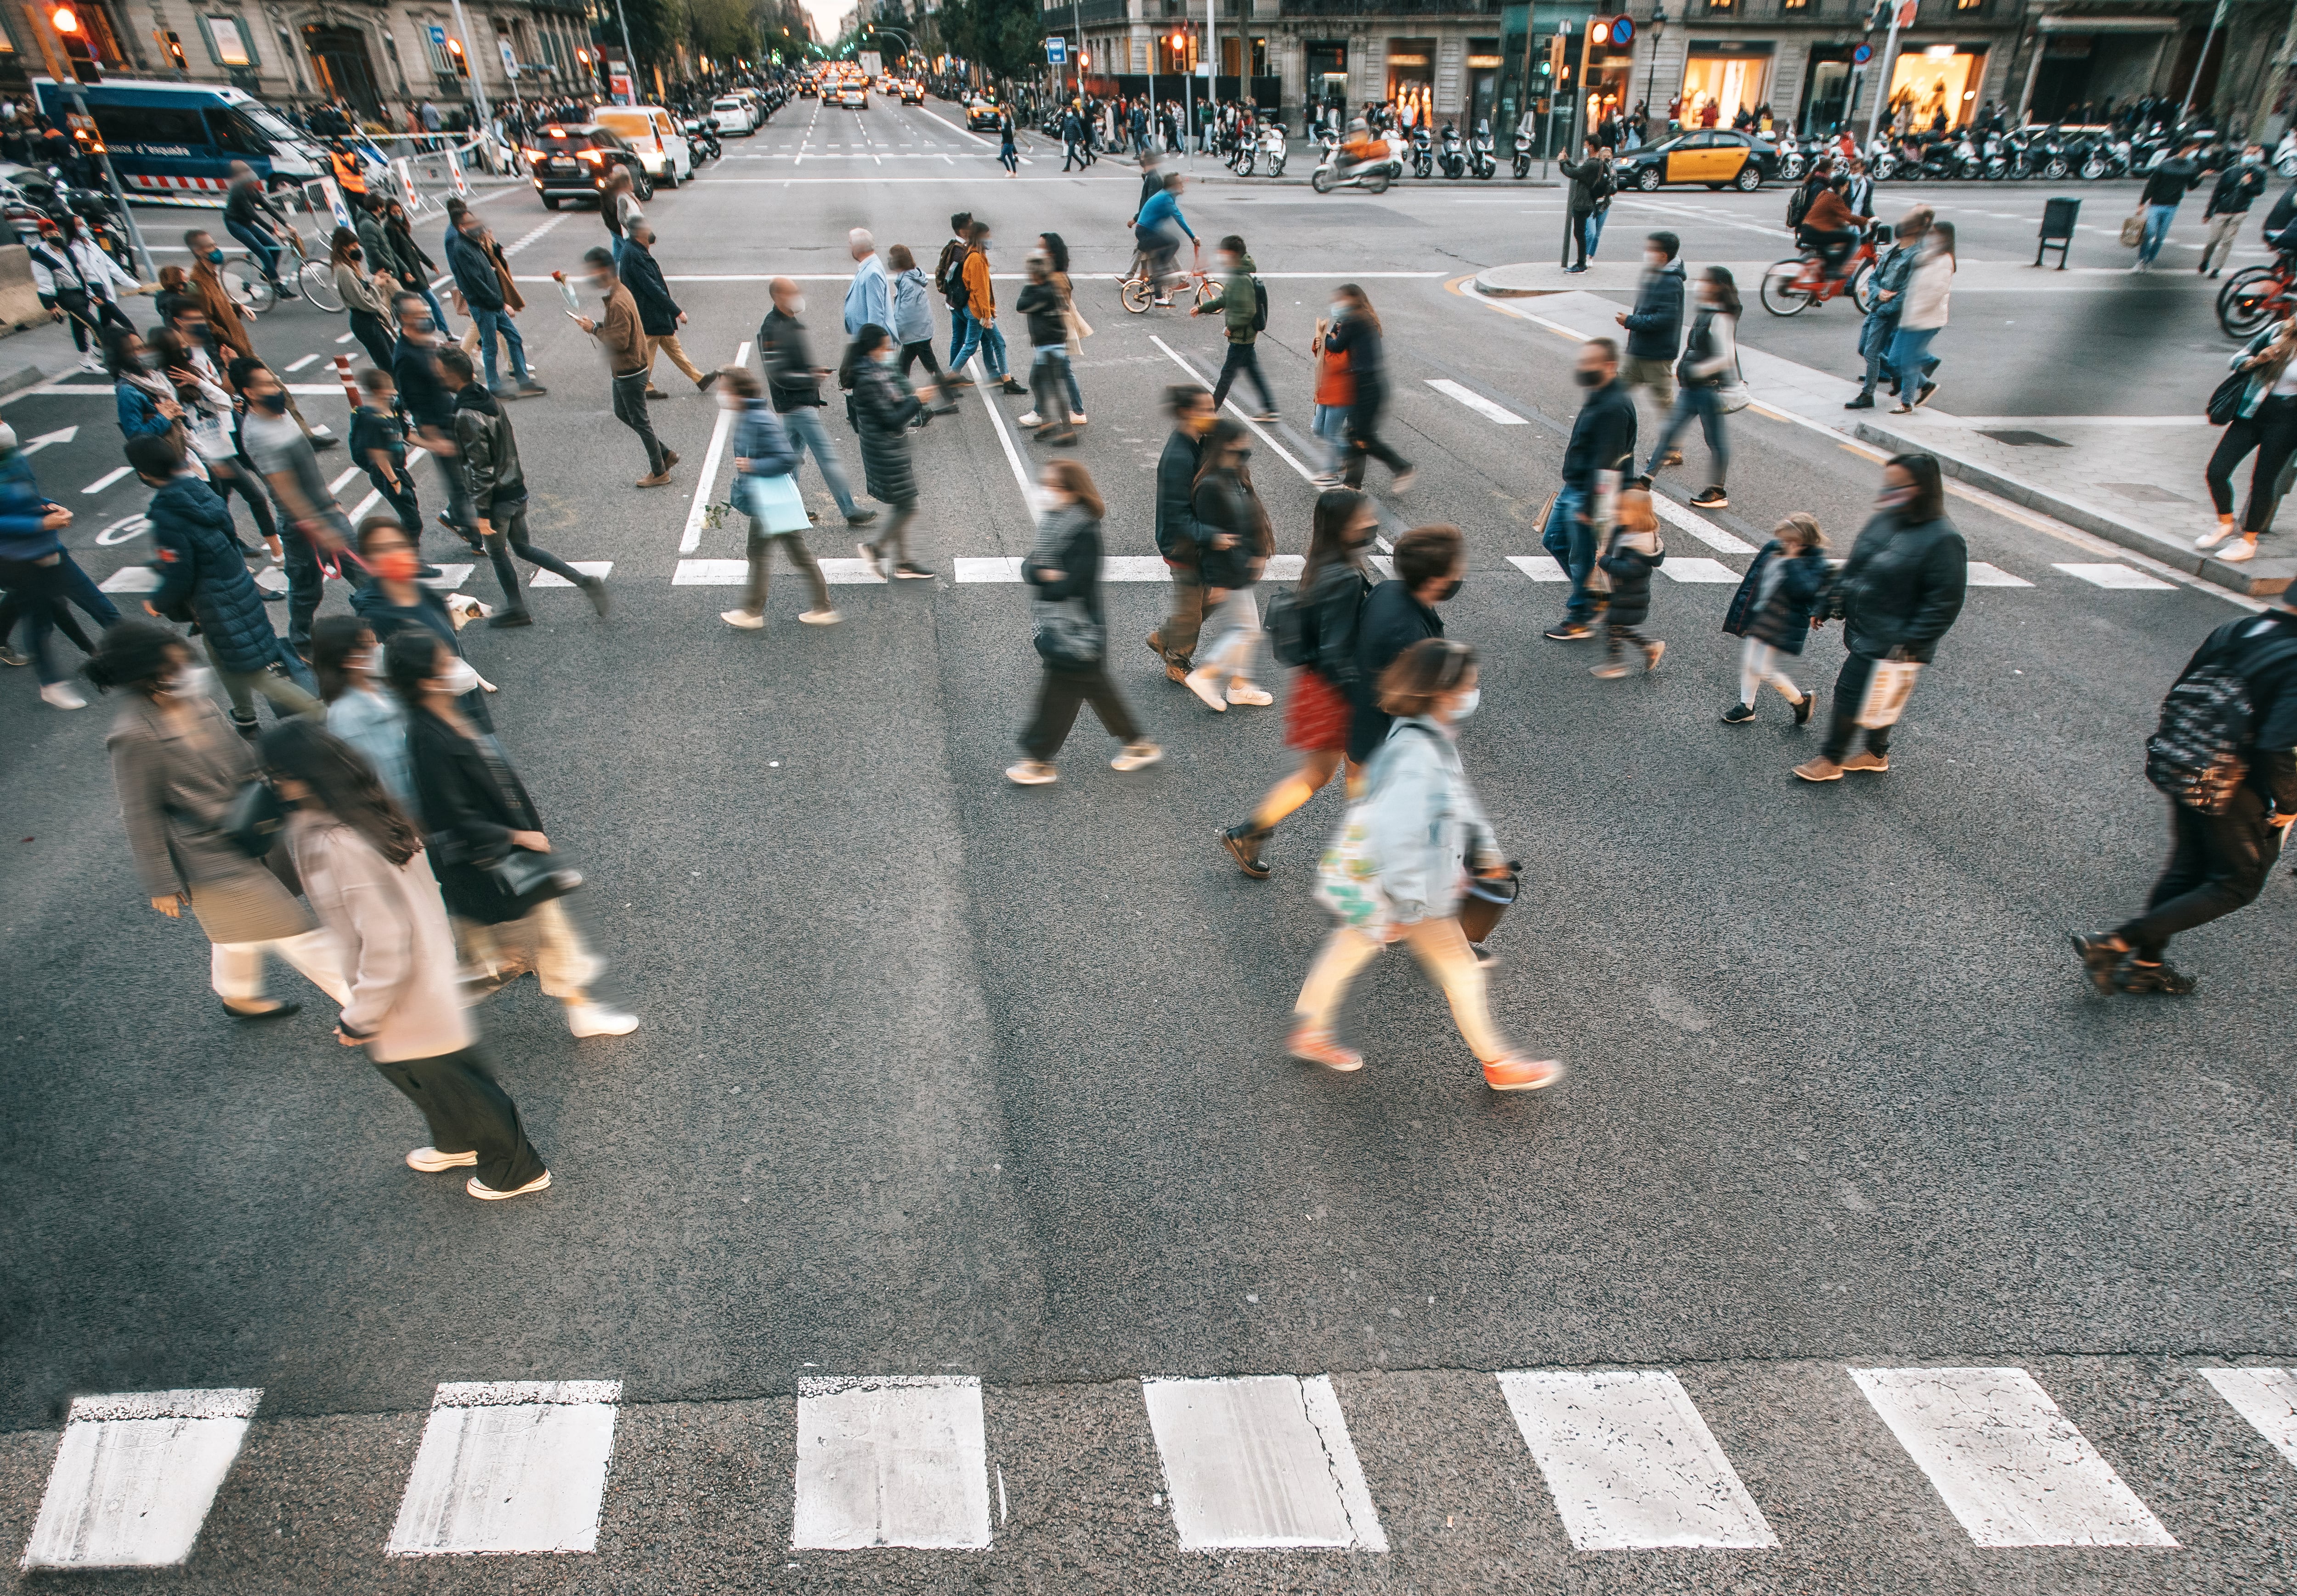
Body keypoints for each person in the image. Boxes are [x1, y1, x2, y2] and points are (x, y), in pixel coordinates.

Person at [263, 718, 551, 1200]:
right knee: (428, 1071)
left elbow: (384, 938)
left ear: (299, 776)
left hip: (403, 987)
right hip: (425, 972)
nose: (271, 783)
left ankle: (517, 1169)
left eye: (275, 774)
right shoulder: (368, 810)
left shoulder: (338, 841)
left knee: (451, 1081)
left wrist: (361, 1015)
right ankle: (459, 1141)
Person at [1287, 638, 1559, 1091]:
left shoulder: (1426, 736)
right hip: (1407, 890)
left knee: (1350, 945)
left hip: (1388, 885)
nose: (1474, 691)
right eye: (1469, 684)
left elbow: (1459, 801)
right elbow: (1398, 838)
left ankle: (1308, 1029)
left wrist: (1487, 852)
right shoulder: (1417, 756)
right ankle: (1497, 1063)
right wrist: (1409, 909)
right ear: (1443, 693)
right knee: (1460, 972)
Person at [387, 627, 638, 1039]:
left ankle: (435, 1003)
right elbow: (453, 815)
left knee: (505, 951)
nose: (456, 666)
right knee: (541, 940)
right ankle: (580, 1012)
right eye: (444, 663)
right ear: (426, 680)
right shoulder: (428, 737)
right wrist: (520, 838)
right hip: (491, 862)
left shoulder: (441, 715)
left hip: (491, 861)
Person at [90, 618, 347, 1019]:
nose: (186, 674)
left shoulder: (198, 704)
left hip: (249, 826)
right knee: (295, 929)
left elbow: (245, 756)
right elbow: (139, 811)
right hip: (205, 853)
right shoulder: (133, 735)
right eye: (172, 668)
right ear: (146, 676)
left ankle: (238, 993)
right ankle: (370, 1009)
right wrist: (161, 882)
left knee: (242, 925)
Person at [2071, 590, 2297, 996]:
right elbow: (2279, 744)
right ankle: (2114, 944)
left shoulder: (2239, 630)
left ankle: (2147, 965)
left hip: (2182, 760)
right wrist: (2288, 804)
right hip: (2233, 781)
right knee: (2237, 885)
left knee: (2188, 867)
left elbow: (2183, 688)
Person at [1221, 488, 1377, 877]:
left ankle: (1250, 833)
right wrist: (1364, 696)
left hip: (1316, 687)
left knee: (1320, 775)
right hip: (1337, 692)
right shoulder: (1344, 576)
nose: (1371, 523)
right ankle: (1352, 864)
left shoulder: (1323, 563)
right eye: (1363, 518)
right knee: (1358, 778)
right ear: (1345, 528)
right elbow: (1336, 646)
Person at [129, 432, 318, 736]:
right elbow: (228, 538)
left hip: (214, 602)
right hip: (236, 587)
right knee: (226, 659)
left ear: (144, 473)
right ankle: (245, 716)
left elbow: (180, 573)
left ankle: (320, 712)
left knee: (255, 673)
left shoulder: (167, 515)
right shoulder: (199, 491)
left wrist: (157, 604)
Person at [1795, 453, 1967, 782]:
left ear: (1922, 488)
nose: (1890, 490)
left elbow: (1944, 602)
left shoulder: (1944, 539)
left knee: (1851, 691)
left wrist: (1911, 644)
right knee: (1882, 693)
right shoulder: (1886, 519)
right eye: (1889, 483)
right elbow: (1856, 567)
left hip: (1896, 637)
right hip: (1868, 624)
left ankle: (1832, 759)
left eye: (1899, 484)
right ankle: (1876, 754)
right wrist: (1828, 604)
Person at [1007, 460, 1164, 785]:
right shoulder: (1054, 522)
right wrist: (1042, 573)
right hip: (1068, 625)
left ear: (1073, 491)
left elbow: (1073, 584)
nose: (1046, 492)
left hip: (1078, 628)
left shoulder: (1085, 532)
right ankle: (1138, 745)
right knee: (1095, 687)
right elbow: (1029, 566)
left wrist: (1044, 576)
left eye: (1053, 486)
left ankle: (1038, 761)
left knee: (1060, 692)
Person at [438, 348, 608, 625]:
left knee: (497, 553)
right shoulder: (487, 399)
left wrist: (481, 513)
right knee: (523, 548)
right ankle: (585, 582)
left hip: (496, 500)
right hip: (515, 489)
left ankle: (517, 609)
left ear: (449, 375)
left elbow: (481, 469)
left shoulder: (467, 415)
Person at [237, 357, 349, 661]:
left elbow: (307, 468)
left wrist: (332, 502)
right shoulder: (258, 433)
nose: (276, 388)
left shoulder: (281, 414)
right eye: (267, 385)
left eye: (274, 381)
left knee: (366, 576)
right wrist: (322, 527)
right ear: (249, 392)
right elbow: (285, 490)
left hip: (325, 513)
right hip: (303, 525)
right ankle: (301, 643)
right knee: (307, 589)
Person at [0, 422, 115, 708]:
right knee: (41, 620)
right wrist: (40, 522)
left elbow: (29, 497)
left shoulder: (13, 459)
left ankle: (146, 658)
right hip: (16, 560)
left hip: (49, 547)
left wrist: (50, 506)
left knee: (100, 606)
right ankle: (51, 684)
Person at [716, 367, 836, 629]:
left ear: (737, 391)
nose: (721, 394)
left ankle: (753, 613)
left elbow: (788, 459)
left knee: (760, 555)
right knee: (793, 553)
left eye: (724, 389)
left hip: (769, 500)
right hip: (770, 499)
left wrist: (753, 466)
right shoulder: (752, 415)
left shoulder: (757, 419)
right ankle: (821, 608)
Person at [348, 516, 489, 730]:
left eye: (398, 546)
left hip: (467, 708)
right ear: (369, 560)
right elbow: (389, 679)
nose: (393, 555)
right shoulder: (375, 616)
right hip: (439, 725)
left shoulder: (423, 593)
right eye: (381, 549)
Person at [1542, 338, 1637, 642]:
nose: (1582, 369)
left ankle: (1580, 616)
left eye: (1589, 364)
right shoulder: (1601, 393)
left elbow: (1608, 463)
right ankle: (1597, 596)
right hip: (1575, 487)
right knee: (1554, 539)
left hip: (1589, 494)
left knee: (1581, 558)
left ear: (1609, 366)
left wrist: (1592, 507)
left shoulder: (1614, 406)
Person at [1347, 522, 1464, 766]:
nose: (1460, 575)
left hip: (1362, 724)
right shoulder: (1410, 639)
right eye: (1456, 569)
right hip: (1387, 746)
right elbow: (1406, 704)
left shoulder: (1387, 590)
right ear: (1435, 582)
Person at [759, 275, 872, 526]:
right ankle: (849, 509)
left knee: (791, 461)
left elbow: (790, 365)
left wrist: (811, 371)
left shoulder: (788, 322)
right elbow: (778, 374)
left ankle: (788, 509)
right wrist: (810, 377)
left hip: (799, 403)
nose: (798, 296)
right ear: (779, 298)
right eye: (792, 293)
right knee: (827, 457)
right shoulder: (772, 329)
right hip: (797, 404)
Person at [1182, 418, 1276, 713]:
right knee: (1246, 632)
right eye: (1239, 443)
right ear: (1225, 445)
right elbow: (1213, 538)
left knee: (1248, 630)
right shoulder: (1211, 486)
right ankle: (1207, 675)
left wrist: (1258, 553)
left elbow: (1247, 520)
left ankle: (1239, 687)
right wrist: (1220, 581)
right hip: (1229, 571)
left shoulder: (1233, 474)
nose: (1245, 448)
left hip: (1239, 568)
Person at [573, 246, 677, 488]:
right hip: (627, 368)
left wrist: (595, 330)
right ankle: (665, 454)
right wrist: (597, 324)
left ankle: (660, 471)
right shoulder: (619, 292)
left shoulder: (618, 300)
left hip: (630, 370)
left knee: (641, 422)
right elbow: (621, 329)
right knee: (623, 413)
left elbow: (620, 341)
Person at [1642, 265, 1739, 510]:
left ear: (1718, 286)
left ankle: (1717, 491)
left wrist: (1697, 370)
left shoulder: (1721, 318)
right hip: (1691, 389)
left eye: (1704, 281)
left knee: (1715, 441)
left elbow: (1726, 357)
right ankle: (1645, 480)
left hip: (1709, 390)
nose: (1699, 284)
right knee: (1671, 432)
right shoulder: (1707, 312)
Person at [2203, 314, 2297, 563]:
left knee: (2263, 482)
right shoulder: (2279, 330)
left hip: (2287, 422)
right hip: (2251, 412)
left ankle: (2248, 541)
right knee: (2217, 471)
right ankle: (2225, 522)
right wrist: (2258, 360)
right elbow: (2237, 359)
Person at [1719, 514, 1826, 726]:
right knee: (1750, 663)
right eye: (1782, 539)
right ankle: (1746, 707)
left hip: (1783, 621)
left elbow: (1807, 590)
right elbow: (1755, 577)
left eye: (1790, 541)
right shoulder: (1774, 547)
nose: (1784, 544)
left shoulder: (1811, 561)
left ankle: (1800, 701)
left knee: (1760, 667)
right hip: (1761, 614)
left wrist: (1792, 562)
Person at [844, 323, 931, 580]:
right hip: (885, 453)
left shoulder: (874, 371)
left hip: (889, 450)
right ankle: (875, 549)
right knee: (908, 507)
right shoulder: (869, 380)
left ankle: (904, 563)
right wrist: (918, 400)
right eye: (884, 347)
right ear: (873, 350)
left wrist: (913, 396)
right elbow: (892, 420)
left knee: (901, 504)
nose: (889, 351)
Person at [312, 613, 414, 811]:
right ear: (347, 659)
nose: (377, 649)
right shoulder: (346, 716)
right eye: (368, 646)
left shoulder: (376, 684)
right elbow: (384, 778)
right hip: (413, 805)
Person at [1148, 385, 1216, 682]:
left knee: (1209, 599)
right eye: (1207, 411)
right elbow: (1177, 514)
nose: (1213, 416)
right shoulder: (1179, 456)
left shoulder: (1197, 441)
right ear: (1187, 413)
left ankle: (1163, 638)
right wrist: (1213, 536)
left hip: (1194, 542)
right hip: (1185, 545)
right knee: (1192, 609)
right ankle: (1178, 663)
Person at [447, 210, 546, 399]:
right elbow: (476, 282)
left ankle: (523, 381)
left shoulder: (473, 243)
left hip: (492, 303)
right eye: (471, 222)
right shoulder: (461, 248)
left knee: (514, 338)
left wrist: (491, 241)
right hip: (484, 306)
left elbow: (491, 264)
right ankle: (495, 386)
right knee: (491, 347)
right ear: (462, 227)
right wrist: (500, 304)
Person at [1325, 284, 1414, 493]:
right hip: (1367, 384)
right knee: (1356, 434)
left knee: (1362, 436)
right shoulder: (1364, 319)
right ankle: (1352, 484)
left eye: (1342, 300)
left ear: (1353, 300)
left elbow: (1337, 346)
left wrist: (1325, 337)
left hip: (1366, 386)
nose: (1338, 304)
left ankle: (1402, 467)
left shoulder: (1354, 320)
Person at [1848, 208, 1931, 410]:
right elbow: (1875, 277)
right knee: (1864, 349)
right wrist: (1878, 294)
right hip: (1877, 307)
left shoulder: (1917, 256)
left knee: (1873, 353)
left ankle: (1868, 394)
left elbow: (1910, 290)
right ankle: (1921, 382)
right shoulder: (1893, 251)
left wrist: (1886, 304)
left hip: (1889, 312)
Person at [1197, 234, 1277, 421]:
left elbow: (1248, 310)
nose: (1221, 257)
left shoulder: (1240, 278)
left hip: (1242, 336)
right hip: (1246, 336)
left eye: (1224, 253)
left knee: (1227, 375)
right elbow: (1225, 299)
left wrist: (1231, 327)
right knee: (1252, 370)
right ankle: (1270, 408)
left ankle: (1211, 412)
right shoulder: (1238, 274)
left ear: (1232, 255)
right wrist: (1201, 308)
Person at [1615, 232, 1683, 446]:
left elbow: (1664, 320)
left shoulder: (1671, 283)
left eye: (1651, 250)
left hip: (1656, 356)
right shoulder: (1659, 276)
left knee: (1664, 405)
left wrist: (1631, 321)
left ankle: (1673, 449)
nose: (1647, 254)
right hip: (1639, 352)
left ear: (1663, 256)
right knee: (1613, 393)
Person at [1591, 484, 1666, 678]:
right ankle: (1648, 648)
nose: (1617, 512)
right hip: (1626, 595)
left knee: (1613, 626)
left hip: (1628, 597)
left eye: (1621, 509)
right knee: (1615, 627)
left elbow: (1628, 570)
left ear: (1636, 515)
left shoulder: (1637, 545)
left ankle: (1617, 664)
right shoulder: (1631, 533)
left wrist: (1604, 560)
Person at [950, 221, 1025, 394]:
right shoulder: (976, 258)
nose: (990, 239)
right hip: (978, 311)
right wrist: (986, 315)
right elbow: (980, 290)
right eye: (988, 235)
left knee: (998, 343)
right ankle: (949, 379)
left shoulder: (974, 254)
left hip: (976, 309)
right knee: (971, 346)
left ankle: (1007, 379)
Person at [1887, 220, 1952, 414]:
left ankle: (1906, 403)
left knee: (1907, 360)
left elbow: (1937, 292)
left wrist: (1917, 312)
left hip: (1926, 320)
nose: (1931, 237)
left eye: (1936, 234)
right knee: (1895, 358)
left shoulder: (1945, 260)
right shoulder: (1926, 255)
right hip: (1911, 317)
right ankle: (1926, 384)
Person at [888, 244, 956, 413]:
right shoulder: (910, 278)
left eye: (891, 259)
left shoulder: (907, 283)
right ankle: (904, 400)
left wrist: (892, 333)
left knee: (931, 368)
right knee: (904, 367)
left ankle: (948, 402)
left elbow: (905, 313)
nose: (888, 262)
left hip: (916, 334)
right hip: (918, 332)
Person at [1015, 255, 1075, 445]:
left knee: (1051, 387)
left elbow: (1021, 305)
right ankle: (1050, 424)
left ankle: (1066, 432)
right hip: (1047, 345)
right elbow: (1022, 306)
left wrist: (1033, 292)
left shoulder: (1043, 290)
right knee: (1042, 383)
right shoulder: (1045, 289)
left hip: (1051, 346)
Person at [332, 225, 399, 371]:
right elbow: (364, 301)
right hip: (364, 321)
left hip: (370, 320)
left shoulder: (351, 267)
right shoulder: (344, 272)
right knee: (388, 364)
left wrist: (375, 280)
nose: (358, 249)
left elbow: (363, 288)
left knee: (394, 357)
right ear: (344, 248)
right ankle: (399, 392)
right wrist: (376, 284)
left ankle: (400, 390)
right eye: (354, 246)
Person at [2136, 140, 2206, 271]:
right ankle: (2141, 260)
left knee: (2160, 237)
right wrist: (2142, 203)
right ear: (2186, 147)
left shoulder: (2192, 165)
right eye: (2194, 147)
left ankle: (2149, 260)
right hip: (2156, 204)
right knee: (2149, 233)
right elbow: (2152, 184)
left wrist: (2201, 177)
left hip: (2172, 205)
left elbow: (2191, 187)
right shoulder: (2166, 164)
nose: (2195, 151)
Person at [108, 327, 186, 444]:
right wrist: (165, 417)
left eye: (144, 346)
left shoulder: (154, 376)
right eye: (139, 349)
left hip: (182, 442)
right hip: (166, 453)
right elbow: (136, 437)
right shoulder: (127, 392)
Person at [2201, 145, 2269, 278]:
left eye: (2255, 153)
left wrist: (2248, 185)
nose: (2251, 154)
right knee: (2213, 240)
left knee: (2227, 241)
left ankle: (2217, 268)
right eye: (2249, 152)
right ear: (2244, 153)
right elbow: (2218, 191)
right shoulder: (2232, 171)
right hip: (2222, 211)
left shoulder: (2260, 173)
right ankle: (2205, 260)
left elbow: (2259, 191)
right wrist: (2209, 212)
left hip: (2240, 212)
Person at [221, 162, 288, 289]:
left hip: (247, 222)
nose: (254, 185)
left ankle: (267, 274)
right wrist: (274, 231)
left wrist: (286, 224)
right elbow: (253, 214)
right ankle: (278, 287)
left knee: (275, 249)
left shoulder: (252, 189)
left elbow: (267, 207)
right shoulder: (238, 191)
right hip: (235, 224)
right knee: (265, 254)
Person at [1134, 172, 1197, 305]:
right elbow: (1179, 218)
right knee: (1173, 244)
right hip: (1146, 232)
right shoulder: (1166, 198)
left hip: (1148, 230)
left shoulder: (1167, 196)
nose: (1182, 185)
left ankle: (1159, 275)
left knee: (1171, 245)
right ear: (1172, 186)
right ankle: (1159, 294)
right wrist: (1193, 237)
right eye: (1179, 183)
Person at [934, 212, 974, 372]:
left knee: (958, 339)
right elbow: (954, 278)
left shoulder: (954, 246)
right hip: (960, 303)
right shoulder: (960, 252)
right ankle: (954, 375)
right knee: (985, 338)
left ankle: (954, 374)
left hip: (953, 302)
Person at [1560, 141, 1603, 272]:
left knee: (1580, 234)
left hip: (1583, 203)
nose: (1584, 147)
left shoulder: (1591, 164)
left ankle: (1581, 264)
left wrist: (1562, 162)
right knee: (1580, 233)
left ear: (1591, 146)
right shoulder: (1597, 163)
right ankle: (1581, 263)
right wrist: (1568, 161)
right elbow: (1580, 172)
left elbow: (1573, 174)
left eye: (1585, 145)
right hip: (1587, 201)